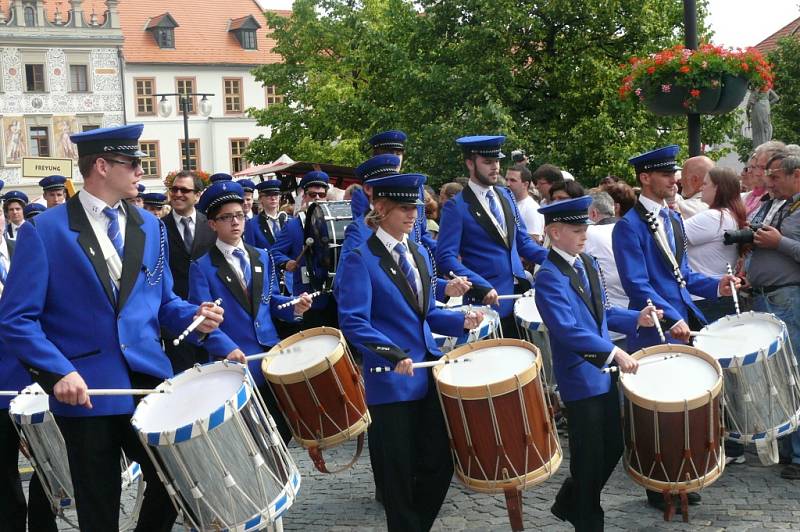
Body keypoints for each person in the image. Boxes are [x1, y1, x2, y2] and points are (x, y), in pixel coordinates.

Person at [0, 123, 232, 531]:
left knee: (178, 482)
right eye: (133, 163)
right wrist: (58, 371)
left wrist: (197, 318)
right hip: (87, 389)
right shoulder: (45, 230)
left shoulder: (149, 225)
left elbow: (163, 303)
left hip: (147, 379)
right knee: (99, 507)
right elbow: (17, 318)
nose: (141, 172)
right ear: (102, 166)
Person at [337, 172, 482, 532]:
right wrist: (391, 353)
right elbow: (354, 321)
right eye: (404, 207)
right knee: (399, 474)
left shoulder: (417, 251)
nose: (413, 214)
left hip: (427, 373)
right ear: (380, 208)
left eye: (415, 207)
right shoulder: (360, 258)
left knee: (441, 460)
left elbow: (426, 312)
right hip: (392, 380)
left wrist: (461, 322)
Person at [612, 145, 740, 512]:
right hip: (655, 327)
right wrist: (671, 316)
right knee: (658, 410)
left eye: (674, 175)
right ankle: (658, 482)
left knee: (684, 406)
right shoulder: (628, 227)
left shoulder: (672, 220)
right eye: (667, 175)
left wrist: (717, 284)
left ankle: (681, 475)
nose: (675, 180)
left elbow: (682, 277)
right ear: (645, 178)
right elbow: (638, 285)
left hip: (681, 320)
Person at [536, 195, 660, 531]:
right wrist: (613, 352)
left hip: (603, 374)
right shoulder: (548, 276)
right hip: (580, 376)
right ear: (554, 232)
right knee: (588, 456)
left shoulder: (587, 262)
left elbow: (602, 312)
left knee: (613, 446)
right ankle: (589, 520)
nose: (584, 235)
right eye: (577, 230)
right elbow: (567, 330)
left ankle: (568, 501)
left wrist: (638, 318)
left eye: (584, 229)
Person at [189, 180, 313, 445]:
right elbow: (203, 322)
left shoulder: (261, 257)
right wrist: (227, 348)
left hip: (270, 359)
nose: (235, 222)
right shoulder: (202, 266)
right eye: (226, 218)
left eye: (239, 215)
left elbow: (269, 302)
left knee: (281, 432)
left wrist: (295, 307)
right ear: (212, 225)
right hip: (234, 361)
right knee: (248, 441)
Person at [436, 135, 548, 338]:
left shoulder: (506, 196)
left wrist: (555, 259)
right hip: (486, 303)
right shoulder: (456, 206)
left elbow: (522, 242)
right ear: (470, 163)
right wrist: (480, 285)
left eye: (497, 161)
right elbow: (446, 258)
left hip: (520, 297)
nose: (495, 167)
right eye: (487, 162)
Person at [748, 149, 800, 479]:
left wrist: (779, 242)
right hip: (764, 298)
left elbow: (784, 246)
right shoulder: (772, 203)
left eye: (776, 175)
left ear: (797, 175)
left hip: (789, 299)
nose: (770, 181)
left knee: (794, 377)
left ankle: (798, 455)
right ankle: (784, 446)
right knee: (775, 380)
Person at [162, 170, 217, 373]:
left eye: (184, 190)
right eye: (174, 189)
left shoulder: (212, 225)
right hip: (175, 320)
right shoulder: (158, 227)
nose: (177, 194)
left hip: (210, 316)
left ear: (198, 195)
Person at [272, 171, 338, 328]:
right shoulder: (293, 225)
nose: (317, 198)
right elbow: (274, 253)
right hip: (306, 296)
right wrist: (286, 262)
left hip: (333, 296)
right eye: (312, 194)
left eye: (321, 195)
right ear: (304, 196)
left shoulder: (334, 224)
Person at [684, 167, 746, 322]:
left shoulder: (714, 216)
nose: (700, 188)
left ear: (718, 188)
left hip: (706, 297)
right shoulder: (729, 214)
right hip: (717, 295)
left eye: (705, 184)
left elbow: (668, 237)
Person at [585, 191, 628, 309]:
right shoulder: (630, 230)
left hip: (607, 309)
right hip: (642, 307)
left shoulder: (588, 234)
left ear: (593, 213)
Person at [245, 179, 289, 250]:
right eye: (269, 195)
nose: (273, 198)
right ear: (260, 199)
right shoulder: (252, 224)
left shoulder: (288, 220)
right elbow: (251, 251)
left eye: (276, 194)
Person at [506, 164, 544, 243]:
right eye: (507, 179)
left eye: (513, 180)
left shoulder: (532, 209)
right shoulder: (506, 203)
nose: (508, 184)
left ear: (525, 184)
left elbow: (533, 241)